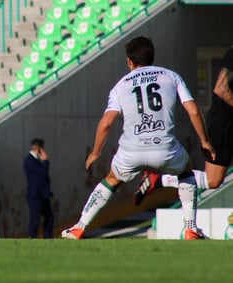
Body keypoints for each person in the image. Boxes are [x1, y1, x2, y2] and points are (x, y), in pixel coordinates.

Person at [61, 36, 215, 240]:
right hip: (165, 148)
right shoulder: (171, 76)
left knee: (111, 180)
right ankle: (190, 228)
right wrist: (204, 142)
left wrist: (96, 152)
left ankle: (80, 227)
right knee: (185, 172)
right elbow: (194, 111)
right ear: (152, 57)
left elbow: (107, 123)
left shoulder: (120, 85)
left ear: (129, 61)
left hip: (131, 151)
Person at [134, 45, 233, 205]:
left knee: (214, 181)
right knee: (213, 180)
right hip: (223, 121)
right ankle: (158, 180)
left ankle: (157, 181)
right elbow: (221, 89)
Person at [23, 138, 55, 238]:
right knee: (35, 219)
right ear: (40, 149)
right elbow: (41, 174)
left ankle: (48, 237)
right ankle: (32, 237)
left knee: (49, 217)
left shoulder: (34, 161)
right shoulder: (29, 161)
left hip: (42, 195)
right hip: (35, 195)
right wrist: (46, 161)